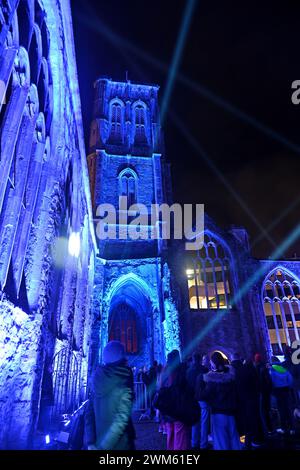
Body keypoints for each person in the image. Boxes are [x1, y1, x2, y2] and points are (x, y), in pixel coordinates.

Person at [86, 340, 135, 450]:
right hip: (120, 444)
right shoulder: (124, 381)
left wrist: (90, 442)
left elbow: (89, 413)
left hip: (98, 440)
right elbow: (121, 418)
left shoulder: (96, 381)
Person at [198, 351, 241, 450]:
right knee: (234, 439)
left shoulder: (212, 379)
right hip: (231, 413)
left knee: (221, 442)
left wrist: (200, 386)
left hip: (218, 413)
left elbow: (205, 395)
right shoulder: (231, 376)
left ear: (213, 363)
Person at [163, 350, 191, 450]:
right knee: (180, 434)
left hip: (168, 408)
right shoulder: (181, 369)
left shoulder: (165, 370)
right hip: (179, 407)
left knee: (170, 434)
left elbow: (161, 387)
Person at [269, 356, 294, 434]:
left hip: (277, 391)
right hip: (286, 389)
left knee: (281, 409)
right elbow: (290, 379)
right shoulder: (283, 368)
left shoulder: (272, 369)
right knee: (288, 408)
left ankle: (283, 427)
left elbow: (271, 381)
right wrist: (288, 386)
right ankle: (292, 428)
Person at [190, 353, 210, 449]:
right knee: (204, 422)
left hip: (192, 398)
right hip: (202, 398)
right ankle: (203, 444)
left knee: (195, 421)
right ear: (200, 359)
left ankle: (194, 442)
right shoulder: (204, 369)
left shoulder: (188, 371)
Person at [38, 360, 54, 434]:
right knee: (44, 415)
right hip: (45, 399)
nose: (52, 368)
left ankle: (44, 429)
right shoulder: (47, 377)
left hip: (47, 398)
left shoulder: (49, 376)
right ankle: (42, 429)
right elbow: (46, 387)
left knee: (45, 415)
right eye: (50, 367)